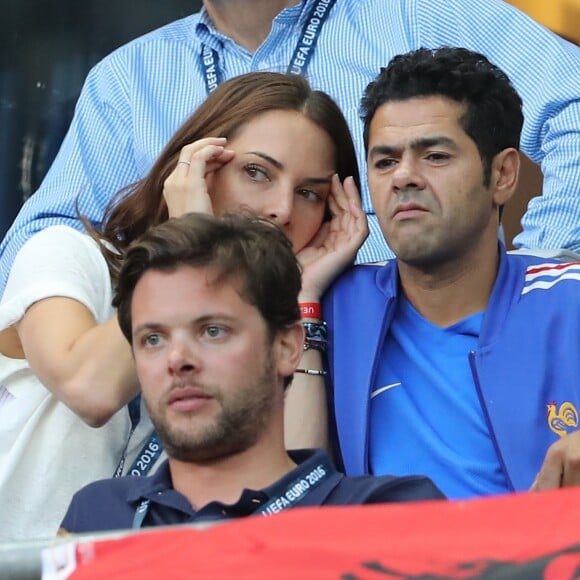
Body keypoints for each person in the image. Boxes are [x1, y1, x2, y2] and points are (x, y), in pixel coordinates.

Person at [0, 71, 367, 541]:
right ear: (197, 166)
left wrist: (303, 301)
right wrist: (192, 236)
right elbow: (89, 389)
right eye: (257, 172)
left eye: (308, 193)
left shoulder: (252, 321)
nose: (281, 209)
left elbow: (288, 498)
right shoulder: (67, 254)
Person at [1, 0, 580, 296]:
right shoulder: (129, 76)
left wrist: (532, 281)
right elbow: (39, 241)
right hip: (203, 398)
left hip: (404, 365)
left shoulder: (412, 12)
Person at [59, 213, 443, 533]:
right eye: (153, 339)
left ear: (287, 347)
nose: (177, 359)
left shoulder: (385, 515)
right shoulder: (97, 516)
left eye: (213, 331)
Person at [323, 47, 580, 500]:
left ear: (502, 174)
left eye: (435, 156)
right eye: (384, 162)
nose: (403, 176)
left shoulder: (567, 300)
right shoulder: (331, 310)